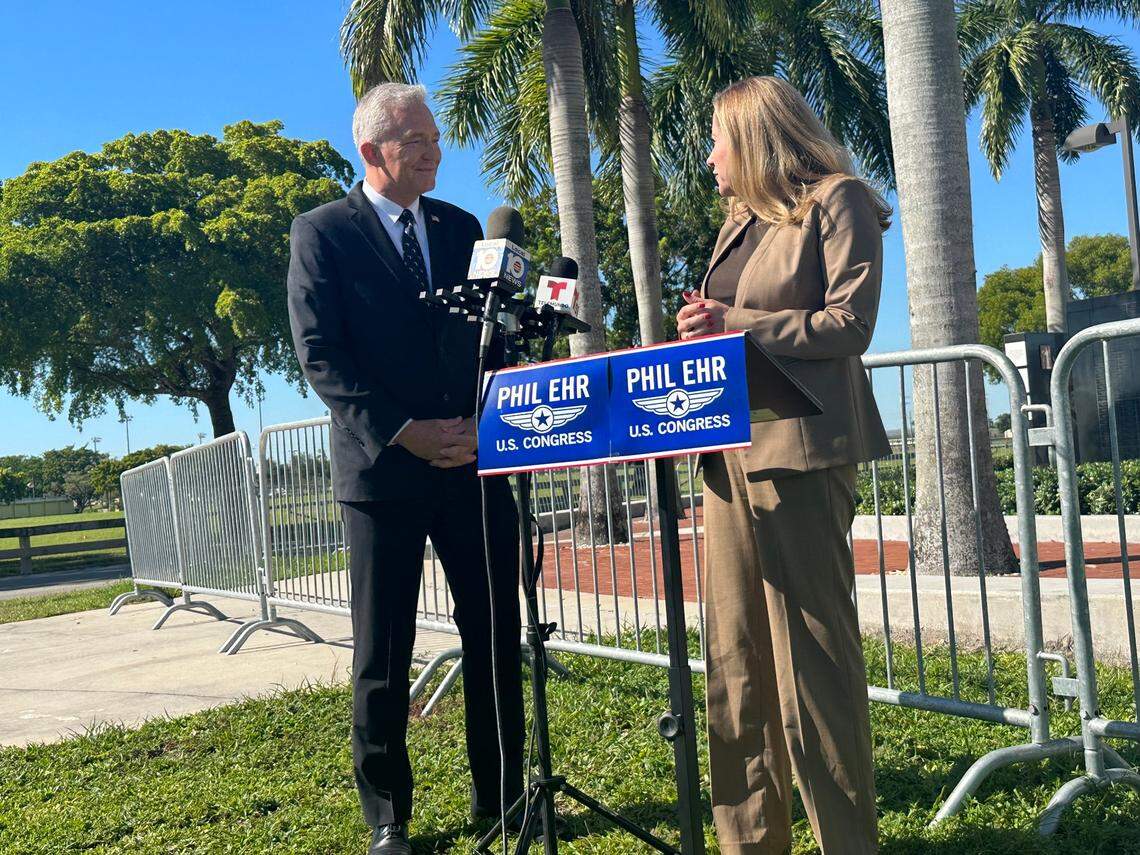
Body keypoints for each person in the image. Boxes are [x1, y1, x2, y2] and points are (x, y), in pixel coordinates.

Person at [286, 83, 524, 855]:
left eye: (435, 138)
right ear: (371, 150)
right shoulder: (321, 233)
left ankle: (504, 796)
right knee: (381, 653)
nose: (433, 152)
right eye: (416, 140)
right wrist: (406, 432)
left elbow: (499, 338)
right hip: (382, 475)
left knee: (493, 633)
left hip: (474, 467)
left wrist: (483, 426)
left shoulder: (460, 229)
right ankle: (389, 816)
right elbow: (322, 356)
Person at [676, 76, 892, 854]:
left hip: (799, 454)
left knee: (814, 664)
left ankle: (846, 841)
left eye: (716, 140)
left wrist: (735, 320)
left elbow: (849, 323)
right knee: (734, 661)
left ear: (755, 136)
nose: (709, 159)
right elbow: (735, 328)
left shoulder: (840, 200)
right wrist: (703, 330)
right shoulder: (738, 223)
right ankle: (749, 844)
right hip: (726, 455)